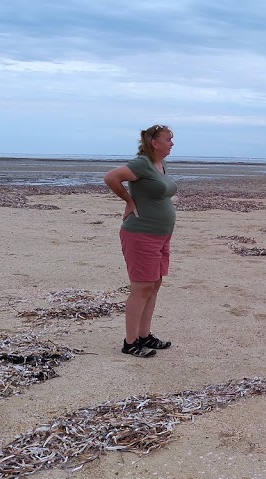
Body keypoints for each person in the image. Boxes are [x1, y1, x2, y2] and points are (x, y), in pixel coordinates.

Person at [103, 124, 177, 358]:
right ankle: (130, 342)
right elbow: (111, 178)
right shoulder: (141, 163)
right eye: (168, 139)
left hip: (161, 235)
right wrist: (128, 201)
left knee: (154, 284)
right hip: (141, 234)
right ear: (154, 143)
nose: (172, 143)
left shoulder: (160, 164)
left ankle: (145, 335)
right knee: (142, 287)